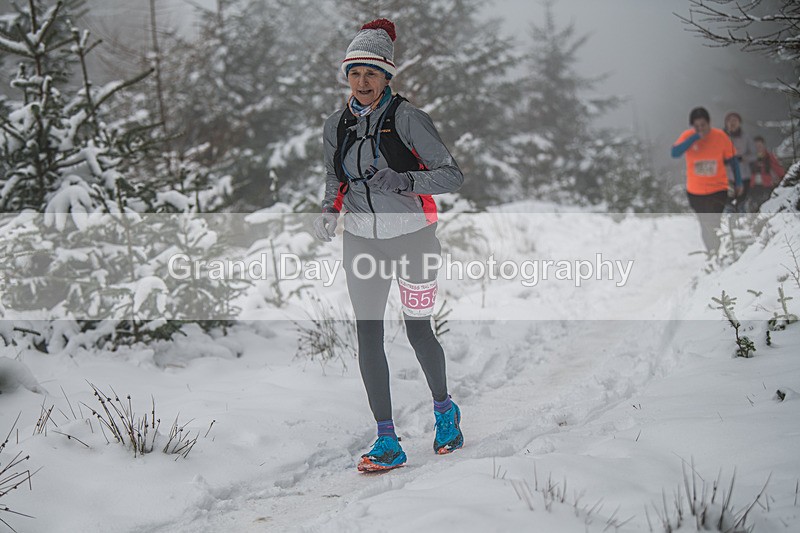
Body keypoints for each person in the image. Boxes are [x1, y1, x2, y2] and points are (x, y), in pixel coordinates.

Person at [312, 18, 465, 472]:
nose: (362, 81)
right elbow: (334, 176)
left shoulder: (408, 118)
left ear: (387, 76)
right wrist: (328, 209)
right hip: (361, 242)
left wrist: (405, 180)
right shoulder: (336, 125)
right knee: (368, 335)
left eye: (371, 73)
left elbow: (452, 174)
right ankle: (386, 440)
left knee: (419, 330)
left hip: (414, 239)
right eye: (354, 73)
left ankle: (444, 412)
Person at [672, 106, 743, 253]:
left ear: (709, 122)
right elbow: (675, 152)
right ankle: (712, 253)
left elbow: (733, 161)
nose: (700, 129)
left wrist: (739, 182)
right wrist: (694, 137)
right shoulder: (688, 136)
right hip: (695, 191)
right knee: (704, 223)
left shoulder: (720, 136)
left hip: (718, 189)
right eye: (696, 126)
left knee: (714, 222)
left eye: (703, 125)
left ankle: (717, 252)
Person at [722, 112, 757, 213]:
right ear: (726, 123)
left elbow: (754, 155)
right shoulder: (721, 137)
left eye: (735, 121)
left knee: (741, 202)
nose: (732, 123)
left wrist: (743, 158)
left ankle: (741, 224)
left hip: (743, 175)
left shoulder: (746, 137)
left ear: (739, 123)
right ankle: (729, 224)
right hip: (726, 176)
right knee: (727, 202)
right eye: (729, 121)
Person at [748, 136, 786, 211]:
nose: (758, 148)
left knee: (765, 206)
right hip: (752, 186)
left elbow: (778, 169)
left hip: (767, 186)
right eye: (755, 146)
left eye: (759, 146)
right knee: (752, 207)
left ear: (763, 146)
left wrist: (783, 178)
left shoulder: (769, 157)